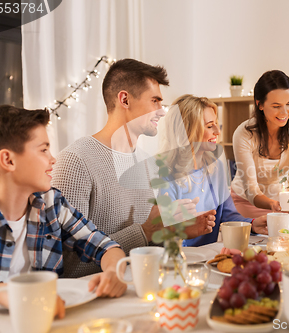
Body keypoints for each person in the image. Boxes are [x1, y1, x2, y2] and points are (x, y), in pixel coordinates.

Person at [52, 59, 216, 277]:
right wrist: (145, 231)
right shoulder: (75, 161)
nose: (162, 111)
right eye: (155, 101)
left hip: (140, 289)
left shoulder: (150, 165)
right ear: (125, 99)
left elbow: (149, 248)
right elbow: (69, 265)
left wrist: (174, 232)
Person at [0, 105, 127, 317]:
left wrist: (114, 272)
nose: (53, 159)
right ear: (8, 160)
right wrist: (9, 295)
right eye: (43, 150)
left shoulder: (51, 203)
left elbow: (104, 246)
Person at [159, 95, 268, 246]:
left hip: (207, 258)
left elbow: (227, 214)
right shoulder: (166, 175)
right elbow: (163, 233)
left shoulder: (216, 167)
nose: (218, 131)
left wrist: (253, 224)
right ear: (187, 130)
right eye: (210, 126)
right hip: (181, 260)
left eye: (217, 124)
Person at [231, 70, 289, 218]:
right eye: (276, 106)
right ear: (260, 105)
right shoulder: (244, 134)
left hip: (280, 203)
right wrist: (272, 204)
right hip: (244, 202)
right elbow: (251, 190)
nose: (284, 112)